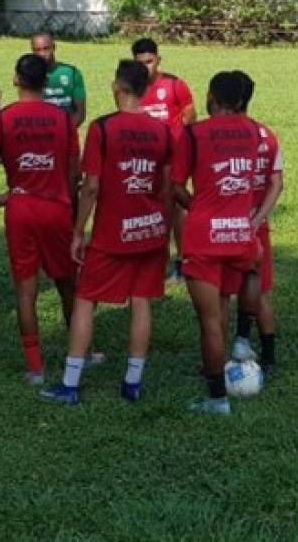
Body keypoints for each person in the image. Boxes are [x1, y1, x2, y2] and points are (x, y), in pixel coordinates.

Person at [40, 60, 173, 405]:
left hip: (112, 233)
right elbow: (167, 186)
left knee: (85, 299)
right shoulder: (163, 131)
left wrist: (77, 231)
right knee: (141, 301)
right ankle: (133, 382)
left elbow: (91, 187)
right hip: (151, 230)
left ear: (117, 86)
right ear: (145, 88)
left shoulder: (103, 128)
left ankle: (69, 385)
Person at [0, 54, 80, 385]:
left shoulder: (1, 119)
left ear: (16, 80)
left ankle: (35, 367)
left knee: (25, 291)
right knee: (68, 284)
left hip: (21, 207)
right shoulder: (63, 119)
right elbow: (74, 170)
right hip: (56, 207)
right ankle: (79, 349)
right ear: (46, 81)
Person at [172, 71, 263, 414]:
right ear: (241, 101)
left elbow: (176, 187)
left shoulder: (194, 134)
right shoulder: (254, 130)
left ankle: (216, 398)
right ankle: (224, 361)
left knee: (210, 321)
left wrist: (200, 210)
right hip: (240, 234)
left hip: (204, 238)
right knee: (222, 306)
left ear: (211, 95)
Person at [224, 71, 284, 375]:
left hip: (222, 225)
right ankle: (269, 356)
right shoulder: (266, 135)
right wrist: (258, 219)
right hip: (255, 227)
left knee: (221, 292)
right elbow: (276, 183)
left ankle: (220, 355)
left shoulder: (221, 136)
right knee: (259, 290)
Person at [131, 37, 197, 282]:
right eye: (141, 63)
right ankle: (151, 257)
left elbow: (190, 113)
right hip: (145, 158)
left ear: (158, 59)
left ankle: (181, 260)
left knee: (176, 205)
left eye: (150, 61)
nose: (146, 67)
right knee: (147, 205)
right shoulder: (133, 88)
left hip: (174, 156)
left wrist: (179, 142)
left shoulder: (174, 84)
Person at [31, 32, 87, 127]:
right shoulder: (29, 74)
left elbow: (80, 113)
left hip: (65, 132)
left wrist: (64, 131)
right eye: (38, 50)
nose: (42, 54)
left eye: (46, 48)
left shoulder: (71, 73)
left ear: (54, 47)